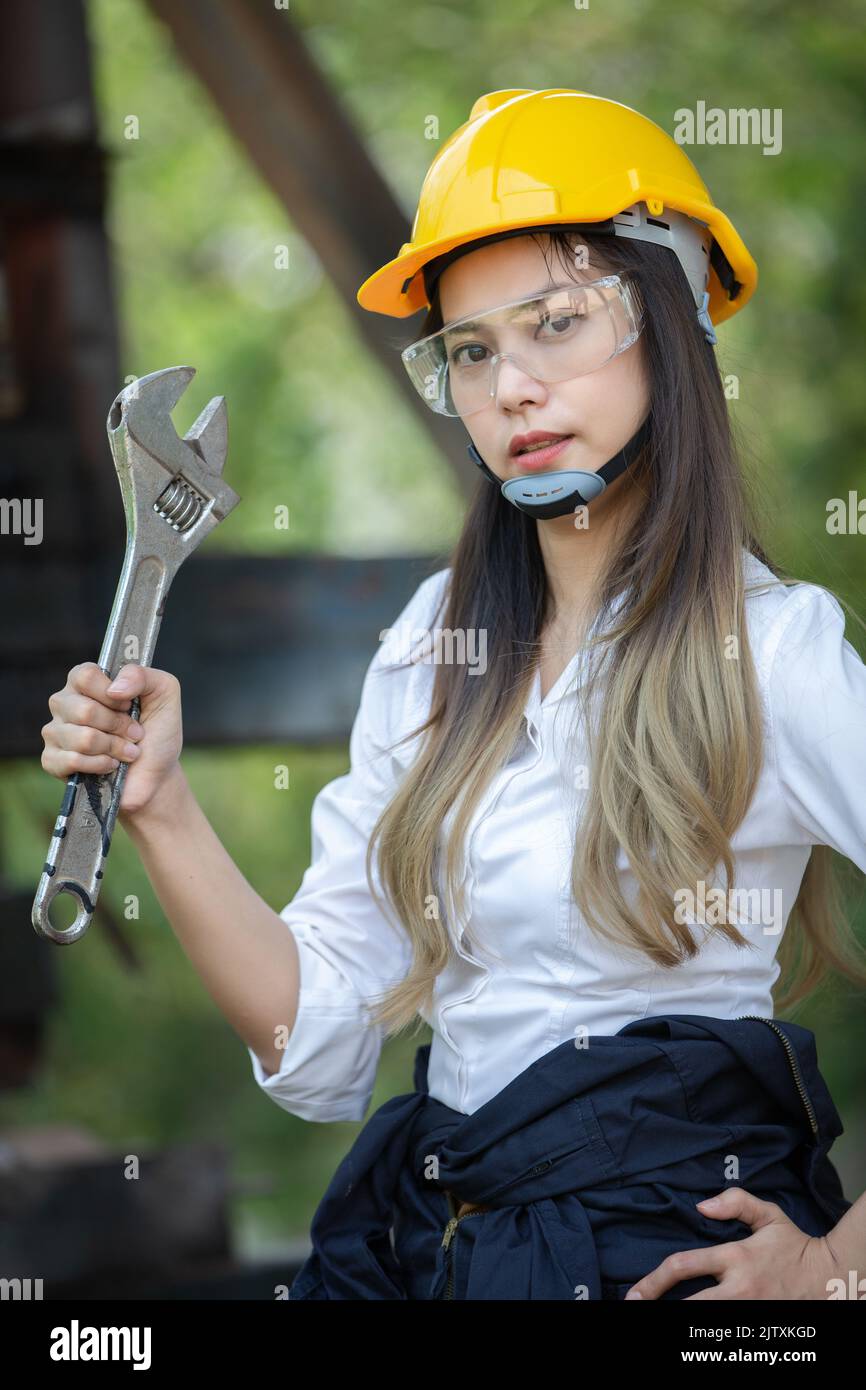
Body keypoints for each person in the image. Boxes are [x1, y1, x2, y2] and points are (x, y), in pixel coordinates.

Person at [40, 88, 866, 1300]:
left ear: (674, 318)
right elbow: (314, 1042)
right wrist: (159, 808)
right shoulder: (435, 644)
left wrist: (832, 1272)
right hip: (450, 1240)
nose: (510, 387)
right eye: (470, 350)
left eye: (555, 323)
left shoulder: (772, 647)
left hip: (660, 1254)